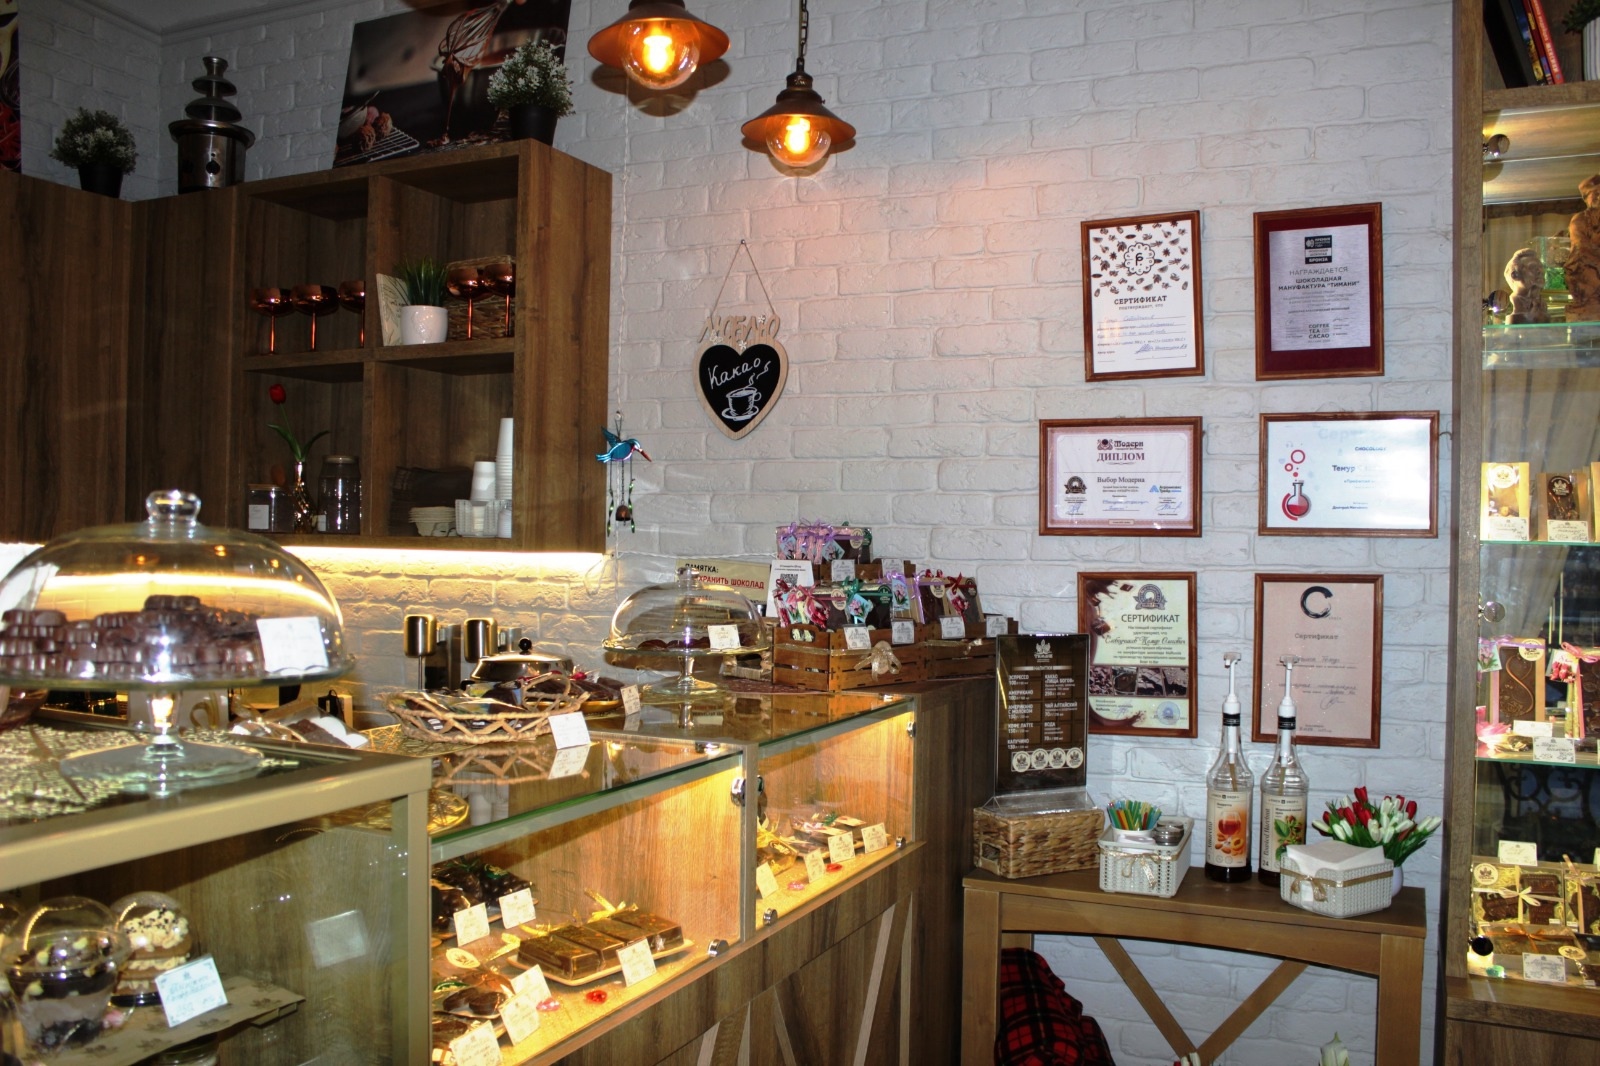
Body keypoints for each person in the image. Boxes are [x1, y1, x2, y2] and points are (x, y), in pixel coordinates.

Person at [1567, 173, 1600, 320]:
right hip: (1587, 263)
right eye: (1595, 194)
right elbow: (1581, 246)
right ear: (1587, 198)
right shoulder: (1580, 219)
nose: (1599, 197)